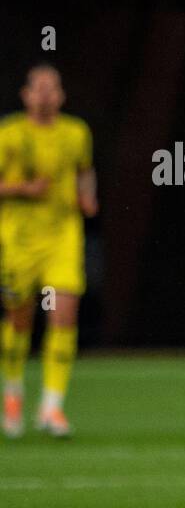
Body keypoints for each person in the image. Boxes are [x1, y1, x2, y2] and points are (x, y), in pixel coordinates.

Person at [0, 64, 98, 439]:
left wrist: (87, 194)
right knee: (20, 320)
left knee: (63, 315)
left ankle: (51, 407)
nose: (44, 94)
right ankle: (12, 392)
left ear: (60, 95)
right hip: (19, 239)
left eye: (51, 88)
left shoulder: (76, 132)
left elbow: (84, 170)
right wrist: (23, 190)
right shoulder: (9, 133)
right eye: (37, 88)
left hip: (62, 236)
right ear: (25, 94)